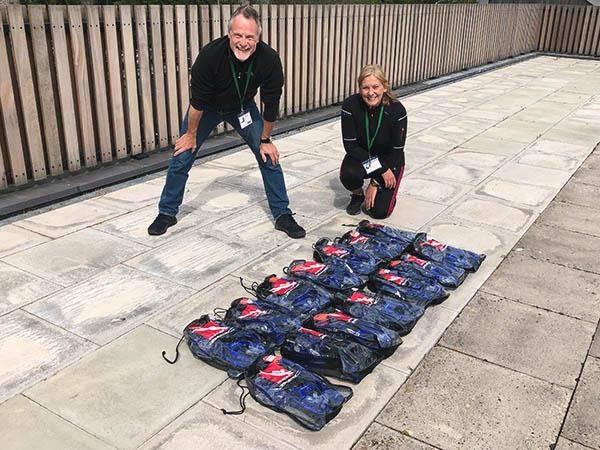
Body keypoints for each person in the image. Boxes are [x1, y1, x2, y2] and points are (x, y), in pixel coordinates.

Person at [148, 4, 305, 239]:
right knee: (182, 155)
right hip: (208, 107)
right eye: (238, 35)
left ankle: (282, 214)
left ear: (258, 37)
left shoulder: (269, 59)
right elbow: (197, 102)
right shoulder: (210, 55)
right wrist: (190, 134)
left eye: (249, 37)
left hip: (242, 107)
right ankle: (167, 212)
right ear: (229, 34)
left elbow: (271, 104)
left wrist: (265, 139)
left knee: (268, 155)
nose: (243, 42)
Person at [340, 65, 407, 219]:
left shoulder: (397, 110)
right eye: (365, 88)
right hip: (363, 155)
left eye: (376, 87)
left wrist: (375, 181)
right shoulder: (350, 106)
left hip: (389, 160)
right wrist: (380, 170)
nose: (371, 93)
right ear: (359, 89)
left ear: (384, 87)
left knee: (379, 213)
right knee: (348, 173)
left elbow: (397, 151)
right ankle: (357, 195)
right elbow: (351, 146)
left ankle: (383, 193)